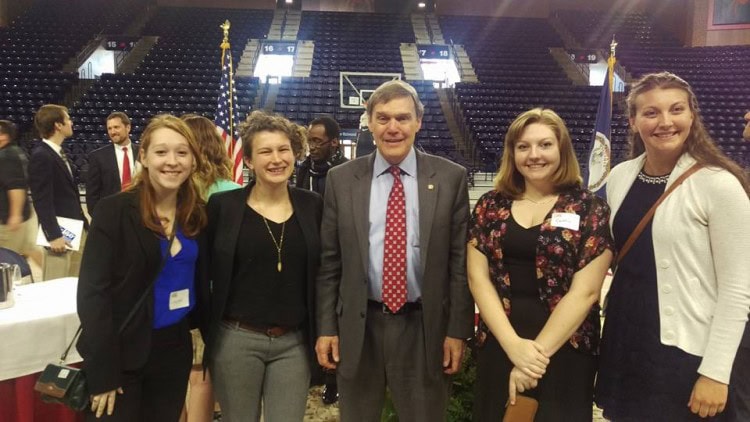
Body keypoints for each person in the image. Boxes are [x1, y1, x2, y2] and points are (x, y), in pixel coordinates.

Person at [315, 80, 474, 421]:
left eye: (402, 118)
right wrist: (326, 327)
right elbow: (330, 263)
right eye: (383, 118)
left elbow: (459, 265)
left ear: (419, 121)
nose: (393, 128)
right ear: (368, 121)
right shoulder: (341, 180)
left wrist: (457, 330)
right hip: (360, 324)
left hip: (424, 327)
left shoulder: (451, 178)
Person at [595, 72, 750, 421]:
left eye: (676, 109)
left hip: (688, 350)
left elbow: (738, 289)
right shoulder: (620, 175)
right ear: (633, 122)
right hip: (627, 338)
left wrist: (716, 371)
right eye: (651, 113)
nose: (665, 121)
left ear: (691, 116)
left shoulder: (718, 184)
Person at [467, 108, 613, 420]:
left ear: (562, 149)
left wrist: (534, 358)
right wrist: (513, 347)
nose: (534, 155)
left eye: (545, 145)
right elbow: (478, 279)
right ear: (512, 153)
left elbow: (585, 293)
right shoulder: (489, 205)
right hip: (501, 340)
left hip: (565, 347)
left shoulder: (590, 208)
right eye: (523, 147)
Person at [76, 115, 206, 421]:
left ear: (193, 161)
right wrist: (103, 372)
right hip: (121, 353)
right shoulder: (114, 211)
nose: (172, 161)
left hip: (173, 351)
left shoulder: (196, 214)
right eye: (161, 152)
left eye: (182, 152)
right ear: (143, 156)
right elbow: (92, 295)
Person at [201, 111, 322, 421]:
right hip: (236, 339)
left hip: (293, 342)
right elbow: (202, 269)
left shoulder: (313, 205)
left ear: (295, 153)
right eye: (265, 151)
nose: (276, 159)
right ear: (250, 161)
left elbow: (325, 272)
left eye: (284, 149)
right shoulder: (223, 207)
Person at [179, 114, 239, 422]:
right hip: (212, 295)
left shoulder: (172, 190)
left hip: (174, 295)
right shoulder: (231, 192)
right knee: (202, 374)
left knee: (177, 377)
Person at [29, 104, 88, 280]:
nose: (71, 122)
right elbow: (42, 200)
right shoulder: (42, 155)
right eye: (68, 118)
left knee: (73, 283)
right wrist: (53, 235)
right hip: (60, 236)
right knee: (55, 286)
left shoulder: (58, 153)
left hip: (74, 230)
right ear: (58, 125)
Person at [85, 111, 139, 216]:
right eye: (109, 128)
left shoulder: (143, 153)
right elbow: (92, 194)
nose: (112, 132)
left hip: (139, 214)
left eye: (116, 127)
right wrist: (98, 217)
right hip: (110, 215)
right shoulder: (97, 156)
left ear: (128, 128)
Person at [0, 121, 34, 257]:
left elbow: (16, 186)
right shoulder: (16, 151)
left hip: (7, 220)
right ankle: (57, 275)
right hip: (20, 216)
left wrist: (15, 215)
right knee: (28, 250)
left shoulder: (6, 156)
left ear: (4, 136)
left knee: (8, 259)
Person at [295, 115, 348, 198]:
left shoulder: (347, 171)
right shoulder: (304, 169)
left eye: (317, 141)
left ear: (334, 142)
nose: (311, 147)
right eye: (309, 141)